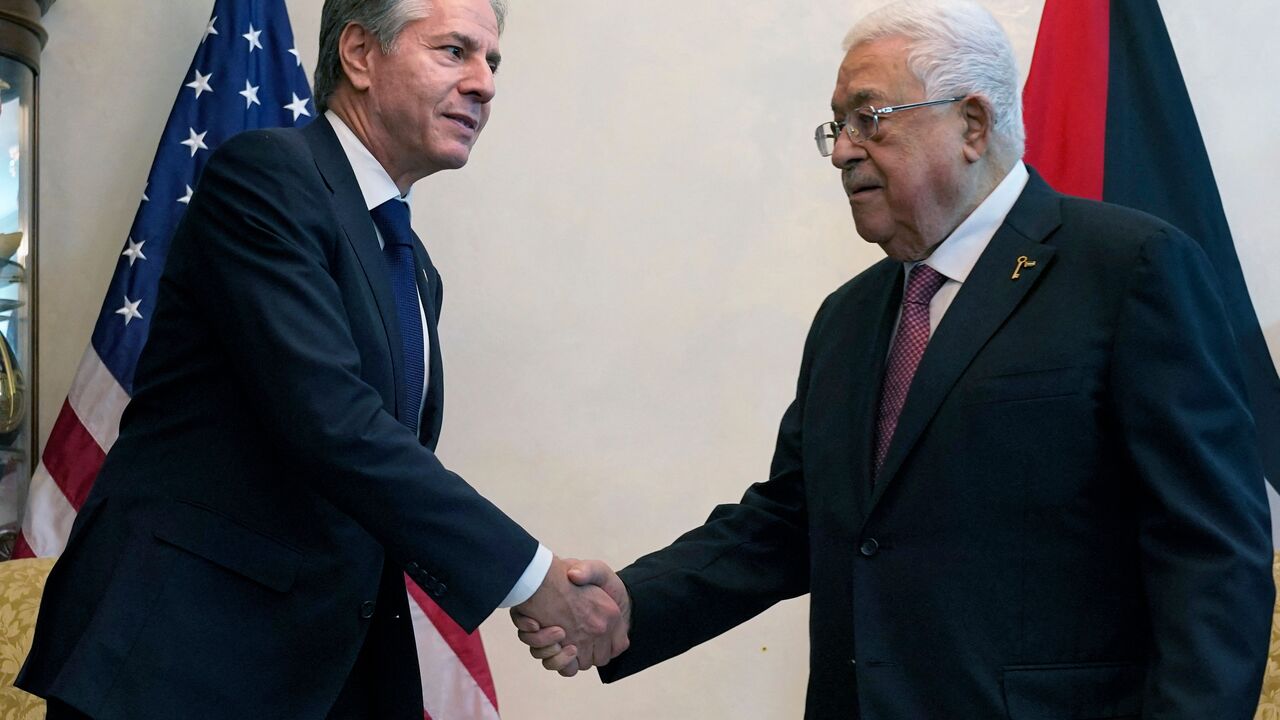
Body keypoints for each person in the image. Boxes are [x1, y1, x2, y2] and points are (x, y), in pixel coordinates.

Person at [514, 1, 1274, 717]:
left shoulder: (1126, 269)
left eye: (868, 119)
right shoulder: (849, 318)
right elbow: (788, 522)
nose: (842, 149)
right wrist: (628, 606)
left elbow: (1211, 557)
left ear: (972, 124)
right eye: (837, 125)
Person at [17, 1, 625, 718]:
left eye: (492, 62)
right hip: (180, 667)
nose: (485, 83)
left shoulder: (410, 263)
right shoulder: (267, 178)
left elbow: (375, 480)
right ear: (362, 56)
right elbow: (332, 422)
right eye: (455, 51)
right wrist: (531, 577)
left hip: (315, 671)